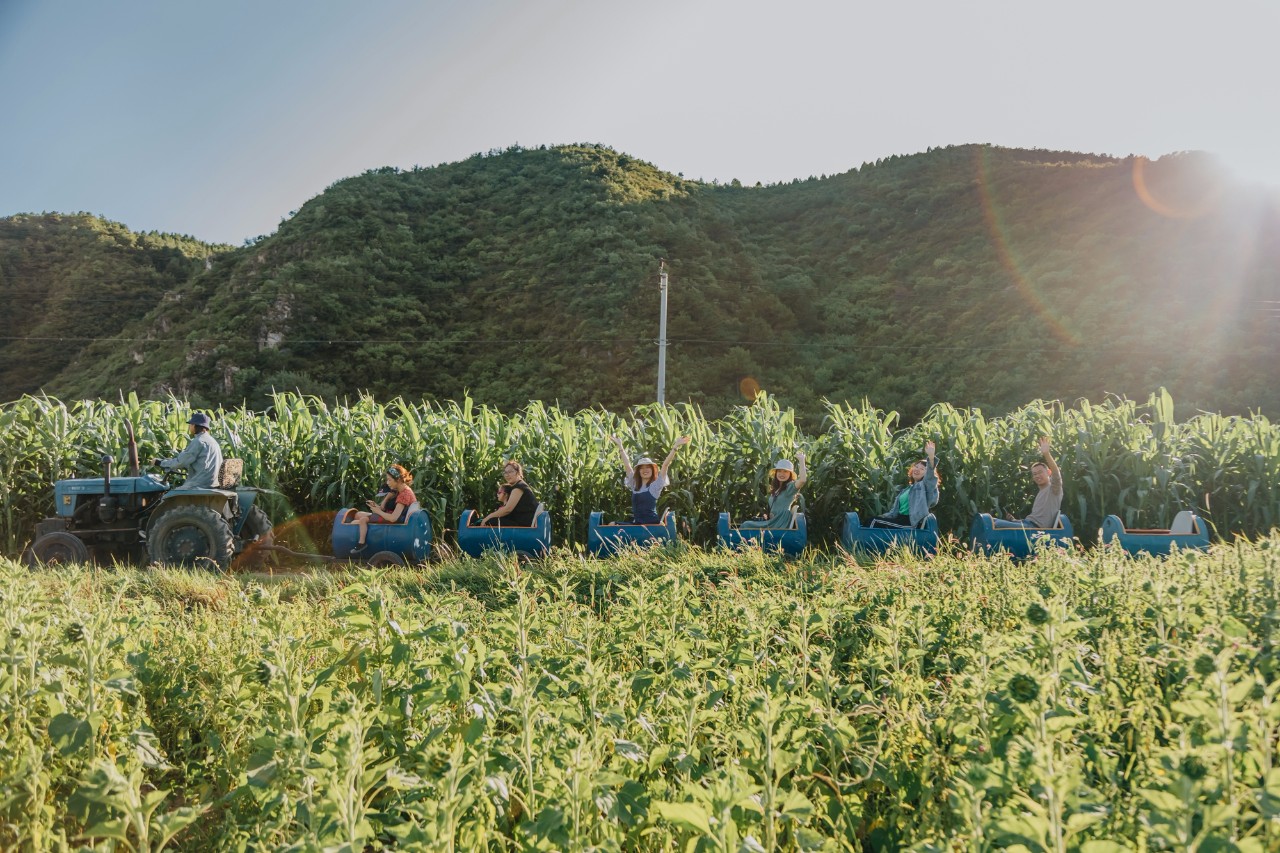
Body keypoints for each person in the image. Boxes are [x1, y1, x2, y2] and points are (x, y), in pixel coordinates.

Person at [609, 434, 690, 524]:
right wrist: (620, 447)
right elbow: (627, 465)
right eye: (642, 468)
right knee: (612, 524)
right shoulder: (634, 484)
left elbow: (665, 465)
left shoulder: (655, 485)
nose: (645, 470)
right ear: (639, 471)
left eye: (648, 467)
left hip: (652, 523)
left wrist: (675, 446)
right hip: (637, 524)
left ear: (652, 470)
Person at [991, 436, 1063, 528]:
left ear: (1049, 472)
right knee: (991, 520)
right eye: (1034, 474)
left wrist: (1046, 454)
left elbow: (1056, 473)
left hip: (1035, 529)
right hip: (1027, 524)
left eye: (1040, 472)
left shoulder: (1054, 490)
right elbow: (1031, 521)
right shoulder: (1041, 492)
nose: (1037, 476)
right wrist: (1014, 521)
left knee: (994, 524)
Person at [867, 441, 940, 528]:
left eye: (922, 469)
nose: (917, 469)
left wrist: (931, 457)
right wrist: (883, 517)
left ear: (926, 473)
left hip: (910, 522)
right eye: (916, 467)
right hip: (899, 519)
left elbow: (930, 475)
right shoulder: (906, 490)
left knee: (873, 522)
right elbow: (894, 512)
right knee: (873, 519)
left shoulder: (925, 486)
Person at [349, 464, 416, 556]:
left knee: (360, 520)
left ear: (399, 480)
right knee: (358, 515)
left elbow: (393, 518)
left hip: (397, 519)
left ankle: (361, 543)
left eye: (389, 480)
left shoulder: (404, 494)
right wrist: (376, 506)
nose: (387, 482)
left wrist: (378, 511)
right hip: (394, 515)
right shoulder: (401, 490)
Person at [739, 451, 808, 530]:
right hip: (773, 521)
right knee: (747, 524)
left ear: (790, 474)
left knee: (746, 524)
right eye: (779, 471)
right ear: (776, 473)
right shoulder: (777, 488)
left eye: (785, 471)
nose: (782, 474)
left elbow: (802, 480)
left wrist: (802, 460)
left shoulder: (790, 487)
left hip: (779, 523)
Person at [159, 412, 223, 490]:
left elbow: (180, 462)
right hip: (213, 482)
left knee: (169, 496)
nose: (189, 427)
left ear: (195, 425)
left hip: (200, 483)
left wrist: (160, 463)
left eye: (191, 424)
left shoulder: (199, 441)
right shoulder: (212, 441)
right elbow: (201, 462)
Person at [481, 460, 539, 527]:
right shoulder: (517, 486)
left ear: (517, 473)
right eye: (505, 472)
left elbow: (507, 509)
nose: (507, 475)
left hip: (523, 523)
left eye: (510, 472)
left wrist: (487, 518)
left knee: (491, 521)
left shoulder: (519, 487)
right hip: (519, 520)